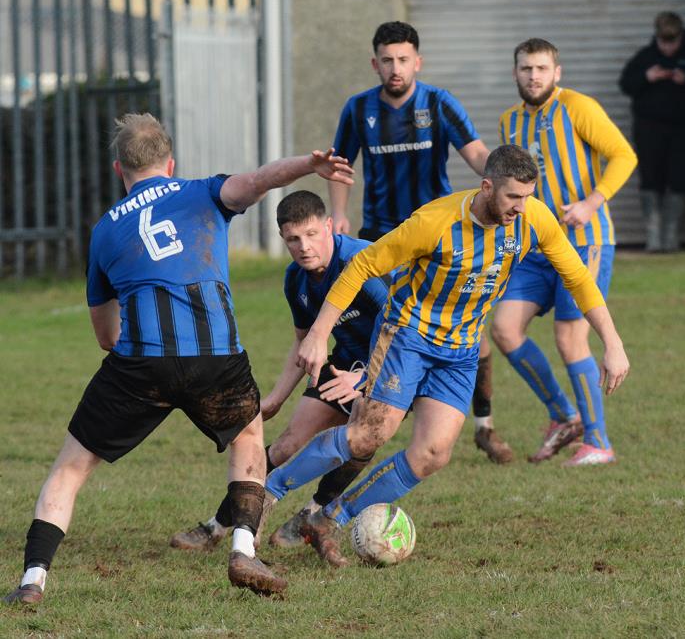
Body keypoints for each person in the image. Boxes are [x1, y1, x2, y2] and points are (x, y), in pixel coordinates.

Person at [2, 114, 354, 605]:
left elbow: (105, 335)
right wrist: (307, 164)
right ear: (170, 163)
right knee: (249, 438)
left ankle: (33, 580)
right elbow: (258, 180)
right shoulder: (202, 192)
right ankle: (243, 547)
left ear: (117, 169)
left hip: (140, 366)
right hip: (218, 358)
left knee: (71, 468)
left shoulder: (104, 232)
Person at [284, 144, 630, 567]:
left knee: (432, 454)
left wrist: (612, 342)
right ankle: (266, 492)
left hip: (460, 348)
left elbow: (576, 275)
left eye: (528, 197)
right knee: (370, 435)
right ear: (487, 187)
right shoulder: (435, 221)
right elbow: (361, 267)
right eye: (512, 198)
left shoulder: (533, 217)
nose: (522, 207)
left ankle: (328, 519)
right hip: (408, 333)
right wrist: (318, 333)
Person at [329, 20, 510, 464]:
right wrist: (338, 212)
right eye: (387, 60)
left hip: (442, 243)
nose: (396, 68)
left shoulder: (439, 103)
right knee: (378, 327)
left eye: (403, 59)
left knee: (474, 336)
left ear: (418, 62)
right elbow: (339, 165)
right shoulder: (358, 110)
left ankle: (484, 427)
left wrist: (510, 182)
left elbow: (477, 155)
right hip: (382, 237)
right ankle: (360, 419)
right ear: (375, 63)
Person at [169, 189, 389, 553]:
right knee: (287, 444)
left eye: (312, 234)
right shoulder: (296, 280)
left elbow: (398, 327)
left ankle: (313, 516)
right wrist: (275, 398)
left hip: (393, 365)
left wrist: (365, 377)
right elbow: (303, 343)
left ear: (330, 226)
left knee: (363, 439)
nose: (304, 246)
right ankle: (217, 526)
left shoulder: (361, 264)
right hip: (342, 363)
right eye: (293, 239)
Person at [491, 38, 637, 465]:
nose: (533, 75)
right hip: (535, 248)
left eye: (541, 68)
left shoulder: (578, 107)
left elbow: (623, 155)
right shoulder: (509, 123)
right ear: (514, 72)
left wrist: (592, 202)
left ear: (558, 72)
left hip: (585, 242)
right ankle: (562, 415)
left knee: (570, 337)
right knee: (504, 328)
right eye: (525, 68)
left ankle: (598, 442)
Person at [619, 11, 685, 252]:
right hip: (650, 131)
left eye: (672, 42)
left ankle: (671, 236)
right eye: (663, 42)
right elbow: (626, 84)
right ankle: (654, 237)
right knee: (651, 179)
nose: (668, 48)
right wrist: (647, 76)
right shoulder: (646, 57)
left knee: (681, 179)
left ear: (681, 37)